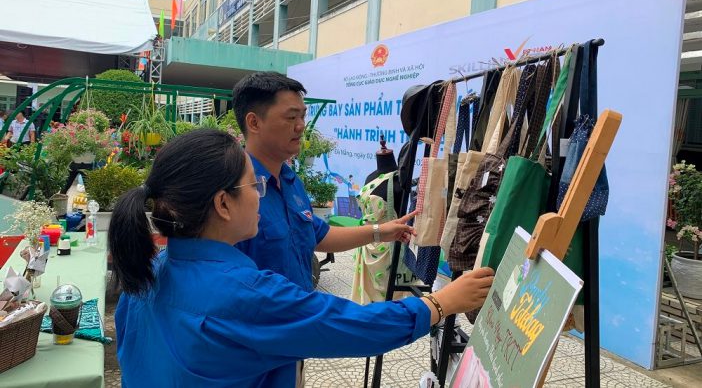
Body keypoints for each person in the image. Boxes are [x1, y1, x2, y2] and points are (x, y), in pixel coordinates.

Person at [110, 129, 494, 387]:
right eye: (253, 185)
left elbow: (318, 235)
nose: (260, 195)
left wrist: (378, 231)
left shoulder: (146, 273)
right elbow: (349, 325)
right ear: (223, 204)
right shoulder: (245, 295)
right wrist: (440, 304)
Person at [232, 73, 416, 293]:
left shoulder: (291, 181)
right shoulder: (233, 191)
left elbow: (319, 235)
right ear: (254, 122)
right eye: (291, 117)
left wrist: (380, 231)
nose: (301, 126)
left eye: (303, 116)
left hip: (303, 309)